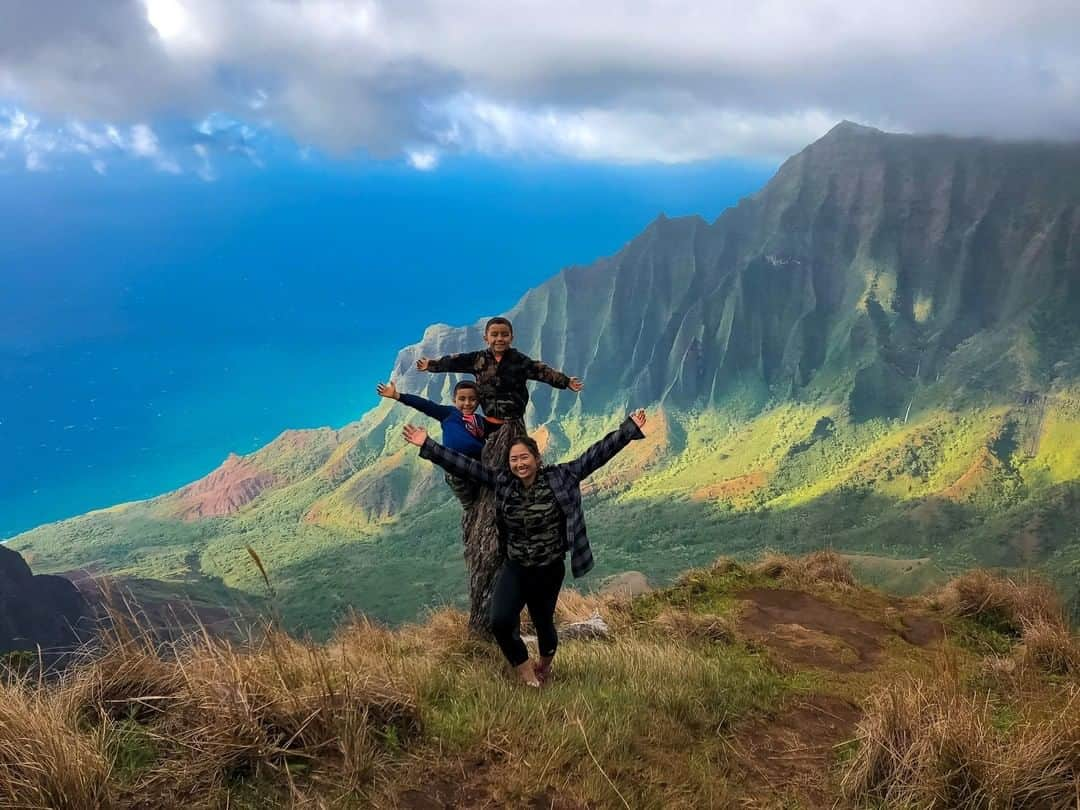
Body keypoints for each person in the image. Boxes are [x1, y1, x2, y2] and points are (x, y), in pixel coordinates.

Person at [403, 408, 648, 687]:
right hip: (517, 567)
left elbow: (595, 456)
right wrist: (428, 445)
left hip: (549, 568)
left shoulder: (560, 477)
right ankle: (527, 675)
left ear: (536, 459)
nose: (519, 464)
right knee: (500, 622)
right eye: (514, 459)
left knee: (543, 623)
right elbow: (464, 466)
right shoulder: (503, 482)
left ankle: (544, 665)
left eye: (524, 457)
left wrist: (627, 429)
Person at [415, 316, 584, 425]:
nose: (499, 339)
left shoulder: (519, 361)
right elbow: (454, 361)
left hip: (514, 423)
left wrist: (566, 381)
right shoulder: (477, 360)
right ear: (486, 338)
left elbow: (542, 371)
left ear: (511, 337)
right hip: (488, 422)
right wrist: (431, 365)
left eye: (504, 334)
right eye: (494, 335)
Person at [376, 379, 491, 507]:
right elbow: (425, 405)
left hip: (478, 466)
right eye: (462, 399)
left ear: (478, 401)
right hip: (455, 467)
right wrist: (397, 396)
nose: (467, 403)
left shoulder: (481, 421)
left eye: (472, 399)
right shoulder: (449, 413)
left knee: (486, 493)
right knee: (471, 504)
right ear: (454, 400)